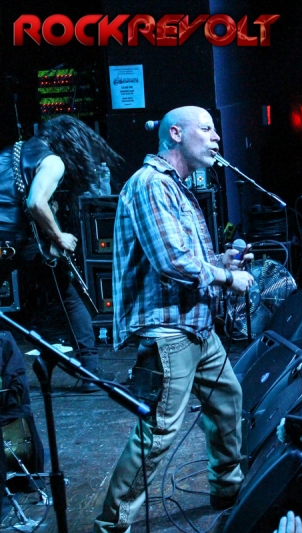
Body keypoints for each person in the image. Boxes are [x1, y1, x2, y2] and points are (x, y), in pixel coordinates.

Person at [94, 106, 255, 533]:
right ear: (176, 135)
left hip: (196, 324)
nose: (217, 137)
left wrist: (222, 262)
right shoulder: (150, 184)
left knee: (227, 399)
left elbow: (190, 261)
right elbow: (171, 261)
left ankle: (228, 487)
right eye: (207, 129)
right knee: (160, 430)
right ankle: (111, 524)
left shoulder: (177, 188)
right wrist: (228, 277)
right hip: (169, 330)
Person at [0, 115, 123, 392]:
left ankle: (48, 358)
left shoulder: (12, 152)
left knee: (57, 288)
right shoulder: (52, 160)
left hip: (10, 241)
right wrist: (58, 236)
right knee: (70, 297)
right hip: (16, 239)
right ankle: (89, 372)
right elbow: (35, 202)